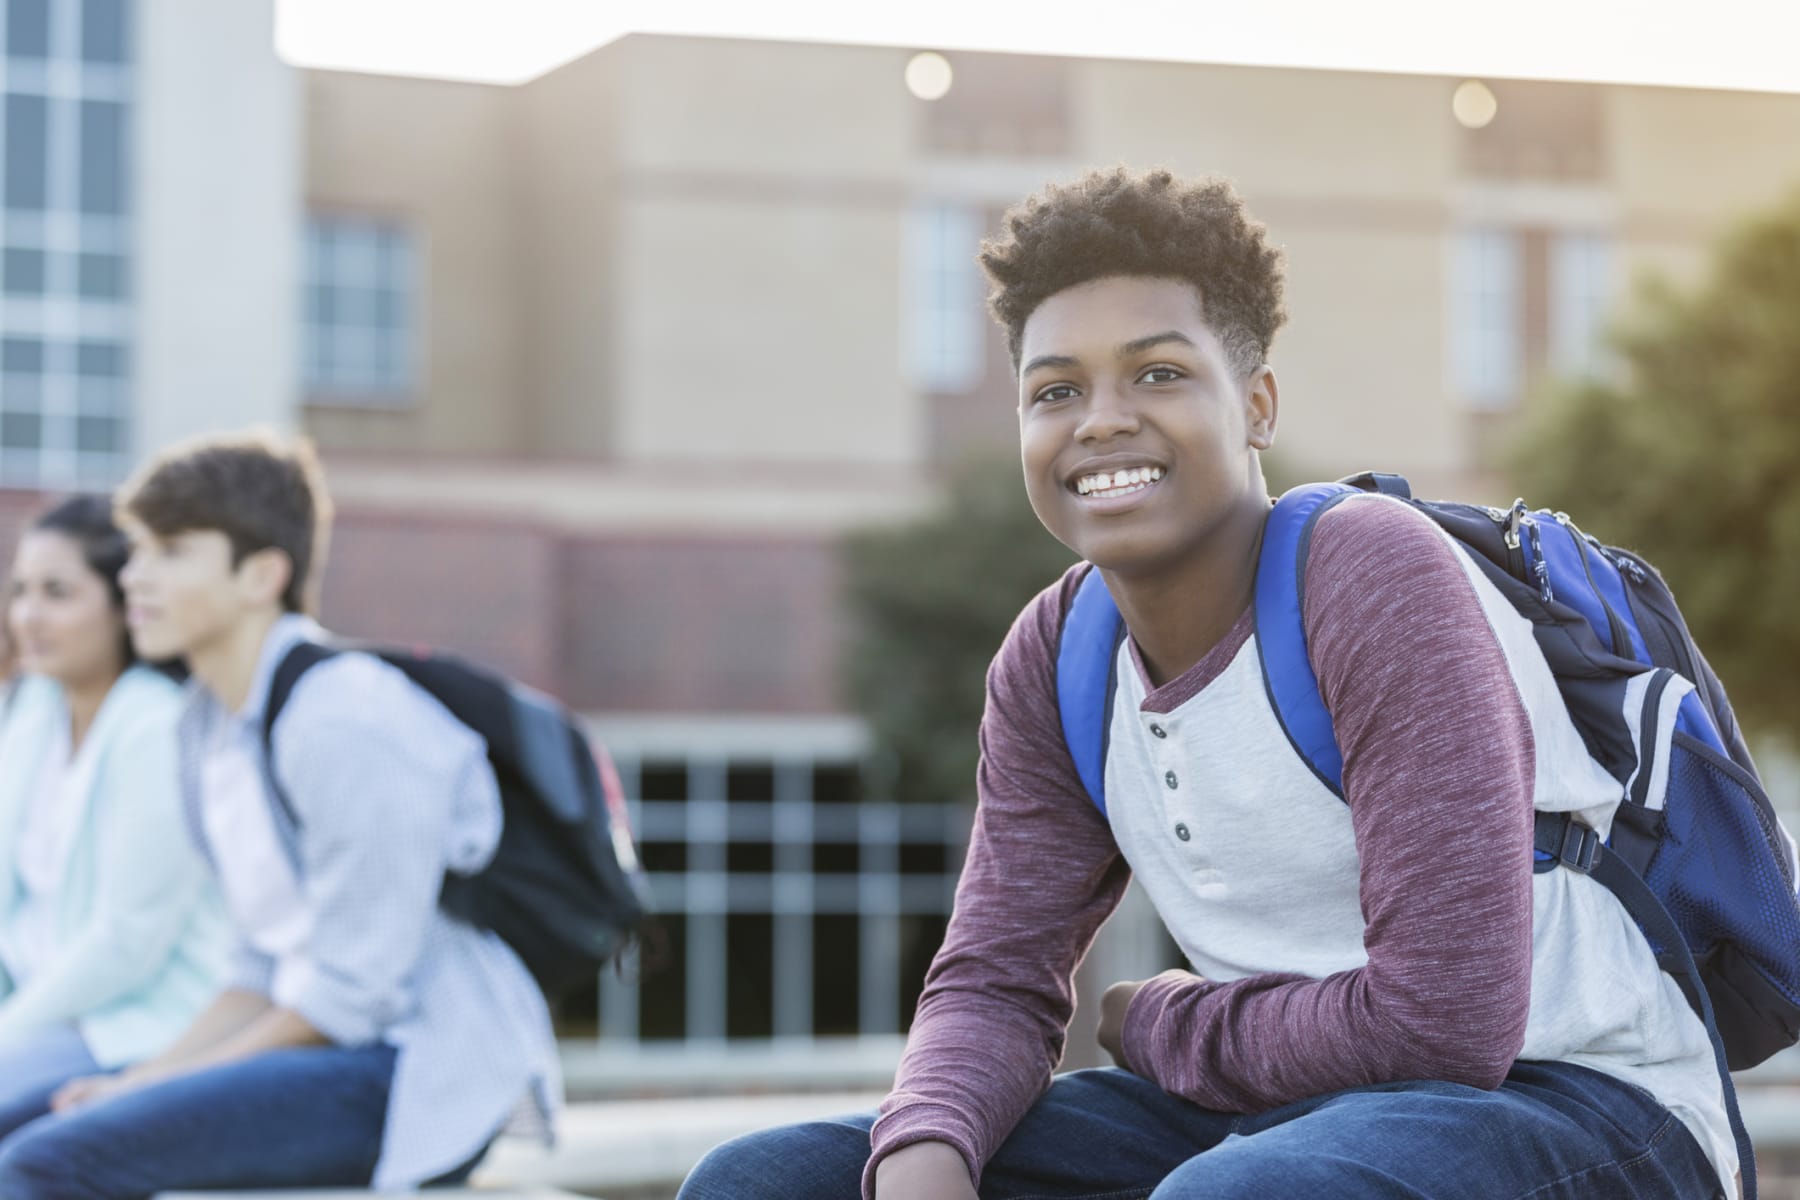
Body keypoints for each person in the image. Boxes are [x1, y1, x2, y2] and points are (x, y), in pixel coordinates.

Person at [679, 168, 1733, 1199]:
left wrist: (1162, 1023)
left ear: (1257, 403)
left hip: (1579, 1102)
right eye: (1055, 391)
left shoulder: (1369, 577)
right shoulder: (1057, 656)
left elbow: (1445, 1023)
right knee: (766, 1181)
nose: (1100, 420)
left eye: (1158, 374)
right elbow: (996, 979)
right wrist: (924, 1155)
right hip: (1275, 1110)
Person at [0, 432, 560, 1196]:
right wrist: (148, 1076)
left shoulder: (344, 718)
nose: (136, 578)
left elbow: (348, 999)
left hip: (402, 1072)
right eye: (134, 553)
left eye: (170, 551)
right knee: (30, 1122)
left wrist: (148, 1086)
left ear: (262, 573)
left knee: (45, 1161)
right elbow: (256, 968)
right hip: (312, 1048)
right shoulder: (208, 725)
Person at [0, 497, 226, 1141]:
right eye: (20, 591)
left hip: (133, 1024)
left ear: (124, 605)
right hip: (40, 1016)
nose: (28, 616)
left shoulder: (156, 726)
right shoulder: (32, 711)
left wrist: (9, 1028)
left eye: (58, 593)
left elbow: (128, 941)